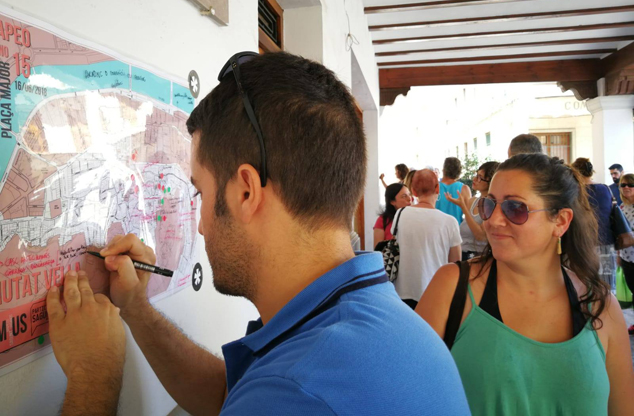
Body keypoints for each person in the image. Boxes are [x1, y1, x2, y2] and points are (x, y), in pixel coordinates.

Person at [46, 52, 470, 415]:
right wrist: (136, 308)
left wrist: (93, 376)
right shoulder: (370, 320)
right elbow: (229, 397)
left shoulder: (300, 390)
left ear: (246, 191)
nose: (200, 225)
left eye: (200, 192)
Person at [416, 153, 634, 415]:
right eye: (488, 205)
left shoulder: (601, 307)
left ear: (560, 221)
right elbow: (408, 396)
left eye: (515, 208)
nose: (493, 220)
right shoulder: (453, 288)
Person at [393, 169, 461, 310]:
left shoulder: (400, 214)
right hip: (435, 291)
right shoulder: (450, 222)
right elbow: (455, 262)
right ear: (437, 188)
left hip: (402, 291)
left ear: (413, 191)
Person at [571, 158, 617, 293]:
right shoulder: (605, 189)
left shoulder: (573, 192)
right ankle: (608, 306)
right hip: (605, 241)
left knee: (582, 286)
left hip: (581, 243)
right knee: (607, 286)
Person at [446, 161, 499, 261]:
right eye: (476, 175)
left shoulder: (492, 205)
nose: (474, 179)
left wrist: (463, 208)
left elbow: (481, 236)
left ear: (491, 181)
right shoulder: (473, 201)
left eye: (479, 177)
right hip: (462, 254)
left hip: (477, 257)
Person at [618, 173, 634, 334]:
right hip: (627, 257)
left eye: (630, 184)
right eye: (623, 185)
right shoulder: (622, 208)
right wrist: (618, 255)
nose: (626, 187)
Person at [373, 183, 412, 249]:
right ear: (392, 202)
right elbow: (378, 249)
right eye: (404, 196)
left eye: (409, 194)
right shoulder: (383, 220)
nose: (409, 199)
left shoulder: (414, 217)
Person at [436, 157, 471, 223]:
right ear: (459, 172)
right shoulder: (464, 189)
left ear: (443, 170)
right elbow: (469, 215)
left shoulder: (433, 187)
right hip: (456, 227)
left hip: (437, 227)